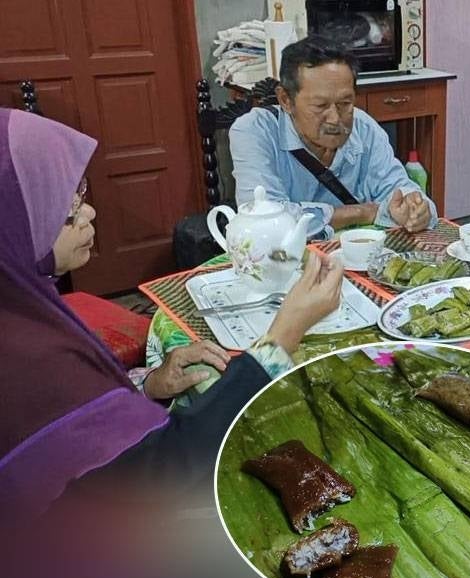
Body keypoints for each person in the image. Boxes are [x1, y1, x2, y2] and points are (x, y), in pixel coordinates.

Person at [0, 108, 345, 517]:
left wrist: (148, 386)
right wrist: (281, 337)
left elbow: (75, 426)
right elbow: (162, 471)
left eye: (81, 194)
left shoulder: (21, 305)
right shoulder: (26, 358)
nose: (89, 213)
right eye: (66, 209)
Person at [231, 34, 436, 237]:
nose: (335, 119)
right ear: (285, 100)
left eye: (345, 103)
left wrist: (416, 209)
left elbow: (400, 189)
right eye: (320, 106)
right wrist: (361, 212)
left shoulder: (364, 128)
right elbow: (266, 224)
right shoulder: (254, 131)